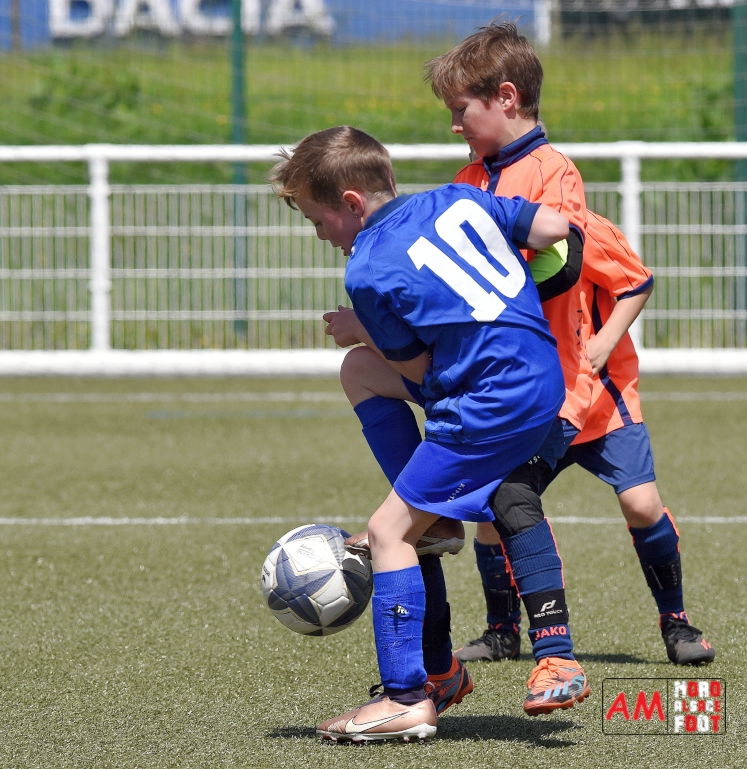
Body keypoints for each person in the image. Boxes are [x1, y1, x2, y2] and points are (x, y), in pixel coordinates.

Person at [426, 20, 715, 667]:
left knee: (640, 501)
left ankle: (676, 621)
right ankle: (503, 630)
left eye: (460, 110)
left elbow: (629, 279)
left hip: (592, 387)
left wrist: (604, 342)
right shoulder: (468, 183)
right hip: (529, 385)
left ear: (506, 97)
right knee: (495, 505)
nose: (453, 125)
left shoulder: (556, 181)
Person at [271, 125, 572, 742]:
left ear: (352, 202)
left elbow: (420, 375)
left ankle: (406, 698)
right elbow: (552, 229)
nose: (320, 234)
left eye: (318, 220)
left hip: (488, 401)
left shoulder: (368, 270)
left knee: (388, 533)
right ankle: (433, 519)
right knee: (359, 371)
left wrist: (362, 326)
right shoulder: (456, 198)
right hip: (542, 375)